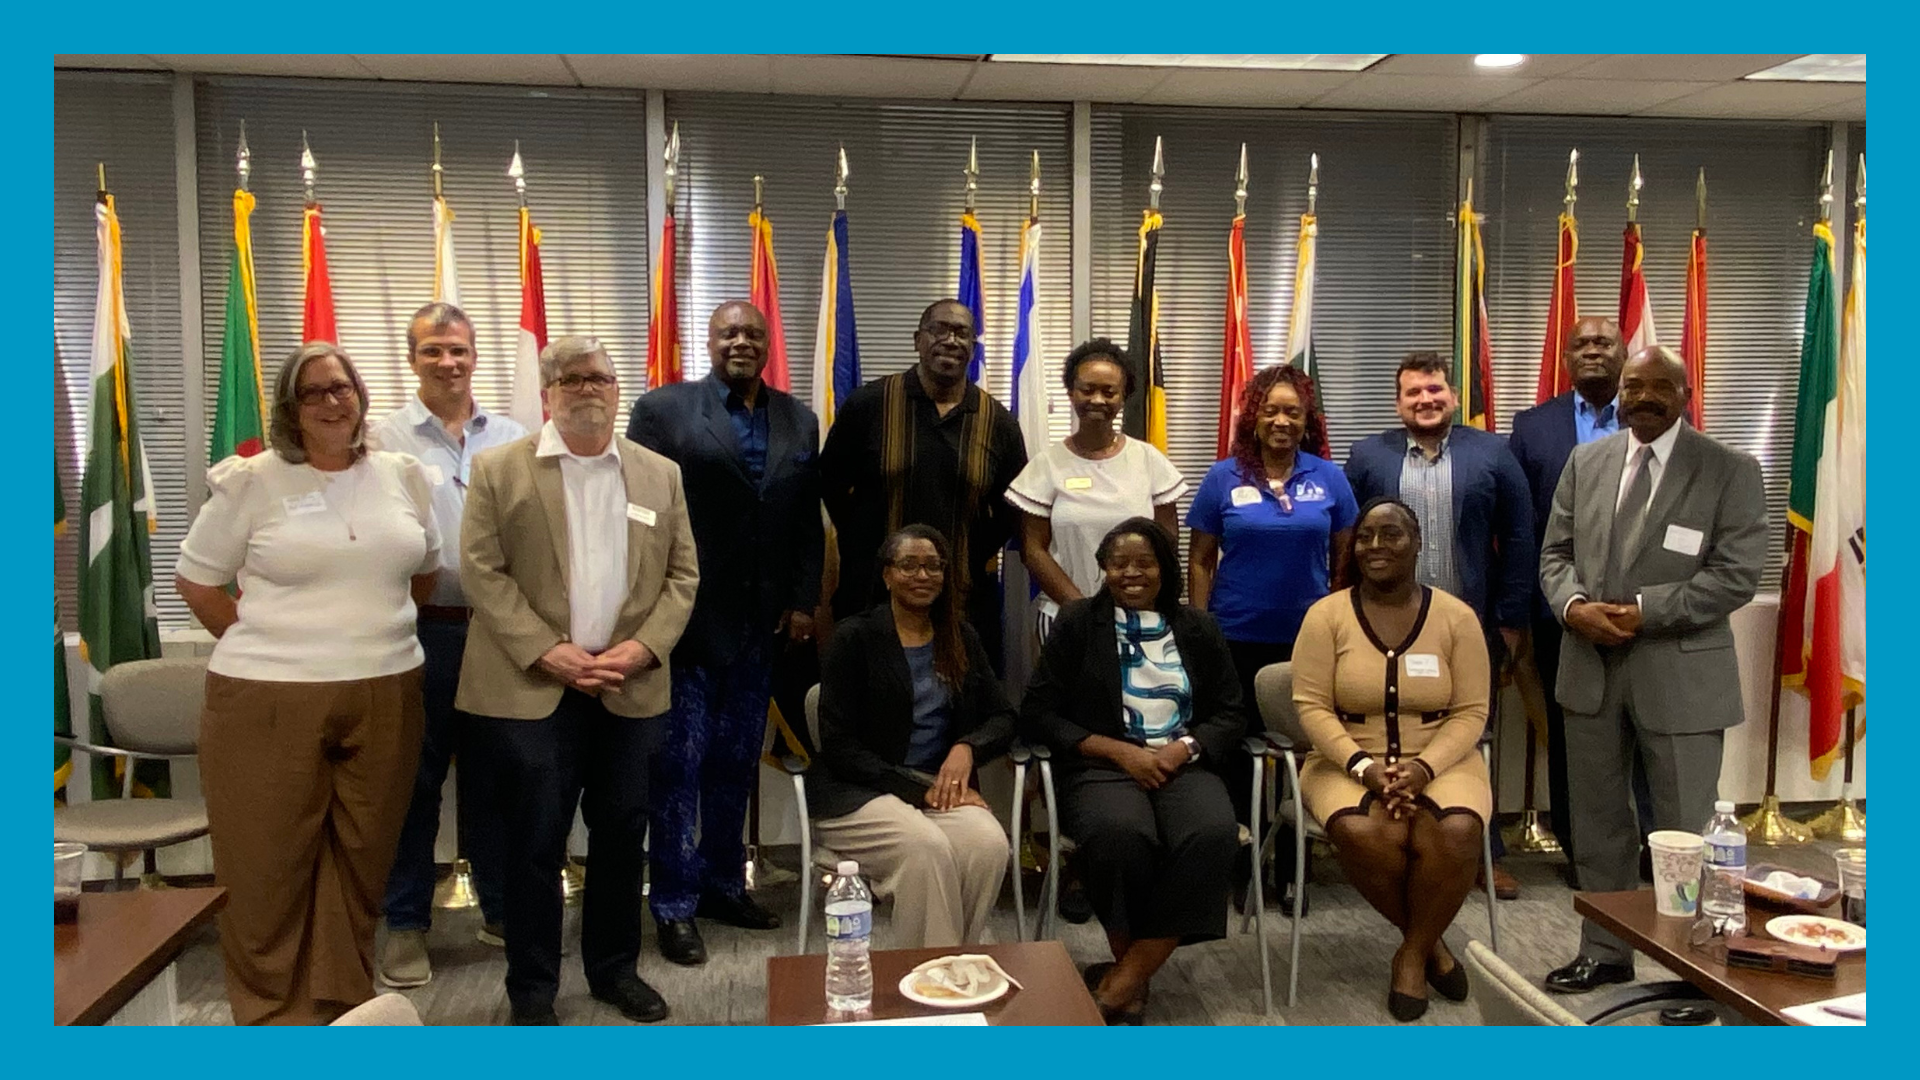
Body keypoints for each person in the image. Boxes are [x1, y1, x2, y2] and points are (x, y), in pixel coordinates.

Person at [175, 343, 441, 1025]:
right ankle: (272, 1020)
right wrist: (273, 642)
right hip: (268, 698)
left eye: (341, 387)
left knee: (362, 857)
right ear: (290, 409)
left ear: (360, 395)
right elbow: (197, 583)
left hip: (387, 688)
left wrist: (366, 631)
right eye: (313, 392)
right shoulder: (252, 482)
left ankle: (341, 1006)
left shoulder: (403, 475)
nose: (331, 401)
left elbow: (423, 571)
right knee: (266, 867)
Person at [457, 336, 698, 1025]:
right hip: (532, 687)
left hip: (628, 684)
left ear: (618, 391)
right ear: (548, 393)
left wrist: (643, 649)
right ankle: (533, 990)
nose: (587, 388)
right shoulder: (498, 468)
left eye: (599, 378)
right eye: (571, 379)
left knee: (622, 835)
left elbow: (683, 575)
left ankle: (614, 970)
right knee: (535, 840)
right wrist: (548, 651)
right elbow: (481, 571)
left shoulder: (660, 473)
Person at [1538, 346, 1767, 997]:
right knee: (1598, 825)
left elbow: (1736, 575)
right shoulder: (1587, 461)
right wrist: (1573, 607)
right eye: (1633, 387)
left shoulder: (1729, 469)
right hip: (1590, 672)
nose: (1643, 398)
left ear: (1685, 395)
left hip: (1682, 681)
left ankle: (1696, 971)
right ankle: (1605, 950)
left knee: (1686, 833)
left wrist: (1644, 611)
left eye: (1659, 387)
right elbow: (1554, 555)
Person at [625, 300, 821, 966]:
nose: (741, 341)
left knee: (734, 764)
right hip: (683, 621)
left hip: (761, 627)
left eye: (753, 333)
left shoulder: (798, 419)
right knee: (677, 768)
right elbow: (639, 513)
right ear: (708, 342)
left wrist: (802, 600)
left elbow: (804, 519)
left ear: (768, 344)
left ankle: (721, 886)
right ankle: (673, 903)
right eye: (728, 332)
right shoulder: (664, 410)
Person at [1022, 518, 1243, 1025]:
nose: (1131, 573)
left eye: (1144, 562)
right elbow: (1039, 713)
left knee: (1211, 833)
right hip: (1102, 765)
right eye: (1119, 563)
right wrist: (1120, 753)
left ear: (1165, 568)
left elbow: (1231, 713)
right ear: (1103, 569)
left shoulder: (1199, 628)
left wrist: (1184, 748)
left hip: (1182, 763)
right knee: (1119, 834)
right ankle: (1130, 975)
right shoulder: (1077, 623)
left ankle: (1126, 978)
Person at [370, 301, 527, 988]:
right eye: (432, 349)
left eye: (458, 349)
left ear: (474, 357)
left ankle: (501, 910)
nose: (447, 361)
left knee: (498, 782)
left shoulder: (516, 436)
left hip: (500, 633)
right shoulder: (381, 438)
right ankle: (406, 925)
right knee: (414, 782)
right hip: (420, 630)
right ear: (412, 360)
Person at [1291, 498, 1492, 1021]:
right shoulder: (1325, 616)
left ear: (1418, 543)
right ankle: (1431, 946)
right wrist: (1365, 768)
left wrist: (1423, 770)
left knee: (1456, 832)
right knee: (1365, 832)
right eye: (1365, 536)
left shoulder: (1457, 617)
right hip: (1344, 759)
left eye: (1392, 534)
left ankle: (1410, 955)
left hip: (1443, 757)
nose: (1376, 546)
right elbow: (1311, 706)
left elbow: (1472, 710)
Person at [1343, 351, 1534, 899]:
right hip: (1384, 627)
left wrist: (1511, 621)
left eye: (1434, 391)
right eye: (1413, 393)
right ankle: (1399, 840)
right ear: (1398, 402)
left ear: (1453, 396)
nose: (1425, 400)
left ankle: (1481, 853)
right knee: (1393, 729)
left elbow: (1520, 535)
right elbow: (1347, 540)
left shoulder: (1493, 452)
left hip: (1469, 626)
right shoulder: (1367, 455)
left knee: (1472, 733)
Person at [1186, 363, 1358, 903]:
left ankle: (1292, 868)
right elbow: (1200, 560)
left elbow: (1346, 560)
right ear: (1253, 418)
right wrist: (1200, 630)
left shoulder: (1329, 478)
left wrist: (1336, 623)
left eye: (1293, 412)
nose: (1282, 421)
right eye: (1271, 411)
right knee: (1237, 754)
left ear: (1307, 421)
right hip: (1234, 638)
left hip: (1306, 643)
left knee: (1301, 754)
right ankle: (1244, 867)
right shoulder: (1223, 478)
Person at [808, 525, 1014, 949]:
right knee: (925, 847)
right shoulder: (854, 637)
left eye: (933, 566)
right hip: (855, 795)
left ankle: (957, 958)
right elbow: (840, 746)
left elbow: (1004, 717)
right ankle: (928, 974)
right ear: (887, 575)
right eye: (909, 566)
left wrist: (967, 748)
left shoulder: (960, 637)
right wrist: (920, 791)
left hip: (933, 790)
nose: (922, 575)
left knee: (989, 844)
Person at [1508, 317, 1653, 869]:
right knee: (1573, 737)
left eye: (1604, 342)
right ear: (1566, 358)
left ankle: (1654, 849)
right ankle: (1584, 853)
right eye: (1581, 344)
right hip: (1561, 610)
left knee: (1649, 731)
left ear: (1624, 353)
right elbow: (1521, 527)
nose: (1593, 351)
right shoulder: (1532, 427)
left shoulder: (1657, 418)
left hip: (1645, 612)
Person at [820, 299, 1027, 671]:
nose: (951, 340)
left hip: (961, 604)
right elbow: (830, 483)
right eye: (939, 329)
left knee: (957, 698)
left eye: (962, 333)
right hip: (872, 598)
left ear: (973, 347)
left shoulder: (997, 421)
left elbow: (1013, 507)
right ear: (918, 340)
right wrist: (870, 546)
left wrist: (968, 552)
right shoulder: (870, 404)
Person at [1006, 338, 1186, 640]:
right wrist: (1082, 609)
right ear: (1071, 392)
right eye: (1087, 390)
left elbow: (1166, 541)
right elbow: (1033, 550)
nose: (1098, 400)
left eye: (1109, 391)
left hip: (1140, 616)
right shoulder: (1046, 465)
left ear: (1123, 397)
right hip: (1066, 616)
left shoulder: (1148, 460)